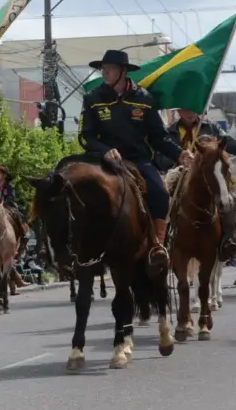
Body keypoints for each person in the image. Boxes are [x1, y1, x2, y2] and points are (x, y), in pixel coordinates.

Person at [78, 49, 191, 263]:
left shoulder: (145, 99)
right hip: (104, 162)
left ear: (123, 71)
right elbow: (86, 137)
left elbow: (159, 137)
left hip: (138, 161)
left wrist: (180, 154)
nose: (104, 73)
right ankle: (78, 247)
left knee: (160, 193)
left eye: (109, 69)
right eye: (103, 69)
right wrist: (105, 151)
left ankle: (157, 245)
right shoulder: (92, 98)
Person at [153, 108, 236, 171]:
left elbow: (226, 141)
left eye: (193, 108)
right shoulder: (169, 133)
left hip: (207, 172)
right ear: (178, 111)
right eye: (185, 109)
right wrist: (180, 158)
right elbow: (160, 160)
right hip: (180, 173)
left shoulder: (211, 127)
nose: (190, 112)